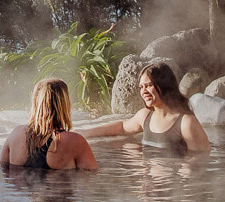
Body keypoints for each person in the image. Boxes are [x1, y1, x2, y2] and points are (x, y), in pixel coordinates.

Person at [77, 62, 211, 154]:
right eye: (141, 87)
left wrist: (182, 177)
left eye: (149, 85)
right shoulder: (145, 116)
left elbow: (200, 159)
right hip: (149, 182)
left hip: (173, 183)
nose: (143, 91)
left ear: (165, 85)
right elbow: (121, 127)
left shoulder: (186, 122)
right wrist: (86, 132)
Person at [0, 77, 98, 170]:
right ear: (65, 104)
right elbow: (91, 177)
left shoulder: (15, 135)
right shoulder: (74, 141)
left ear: (35, 102)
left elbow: (3, 170)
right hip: (56, 182)